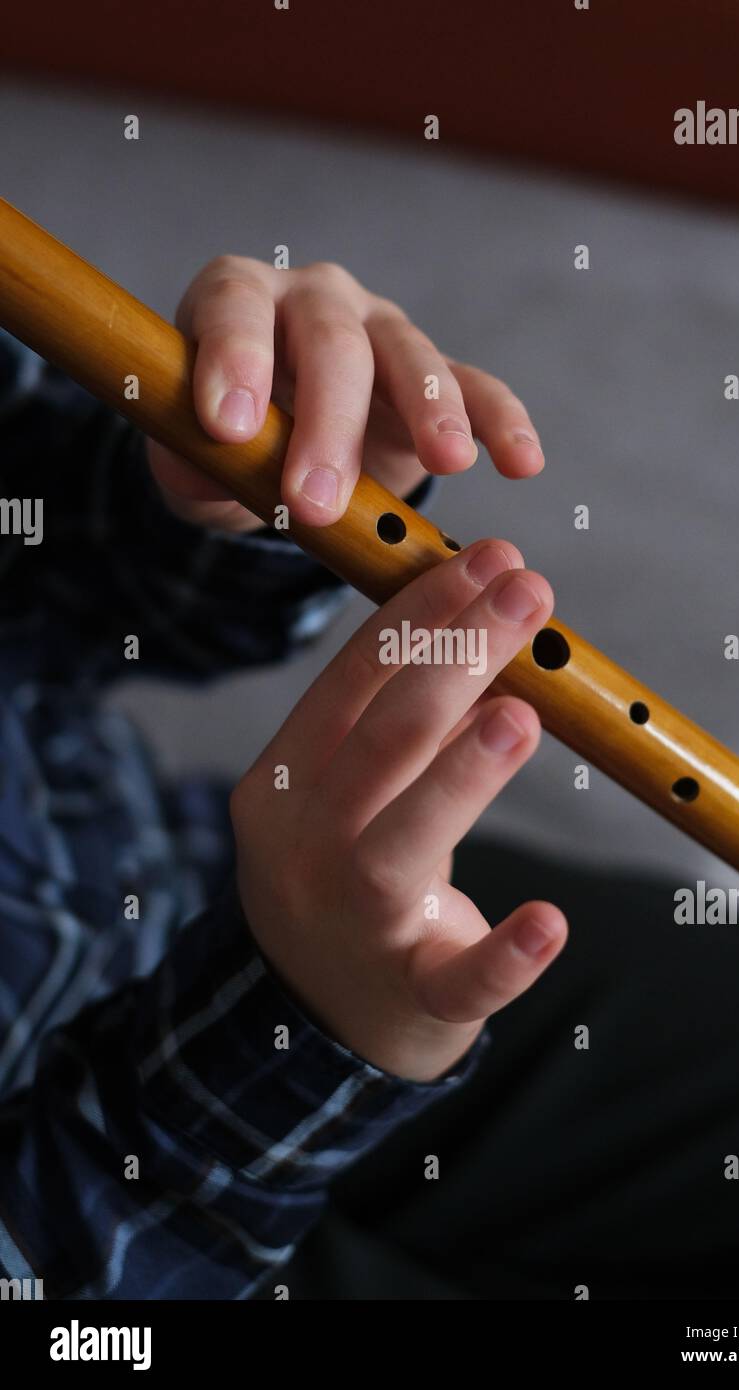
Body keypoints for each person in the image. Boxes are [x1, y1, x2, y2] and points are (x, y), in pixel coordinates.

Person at [0, 256, 566, 1299]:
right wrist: (318, 1023)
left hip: (203, 874)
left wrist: (233, 478)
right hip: (114, 1203)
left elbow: (47, 576)